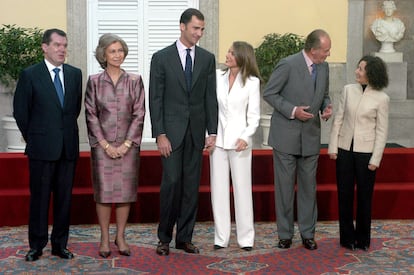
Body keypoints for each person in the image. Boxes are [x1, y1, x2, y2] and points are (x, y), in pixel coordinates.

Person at [149, 8, 218, 256]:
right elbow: (155, 99)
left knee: (191, 187)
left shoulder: (207, 59)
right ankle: (164, 238)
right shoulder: (161, 57)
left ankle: (185, 238)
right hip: (171, 133)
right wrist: (160, 134)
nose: (199, 33)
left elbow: (211, 97)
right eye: (195, 28)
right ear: (182, 26)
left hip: (197, 132)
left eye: (202, 29)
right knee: (172, 183)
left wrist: (212, 131)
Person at [13, 29, 83, 261]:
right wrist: (34, 136)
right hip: (41, 149)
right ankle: (37, 244)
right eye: (57, 45)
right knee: (40, 199)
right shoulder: (30, 74)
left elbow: (73, 110)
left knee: (64, 200)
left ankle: (59, 245)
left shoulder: (75, 74)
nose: (62, 49)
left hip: (68, 148)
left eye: (64, 45)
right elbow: (21, 112)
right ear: (45, 47)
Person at [263, 29, 333, 250]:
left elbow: (324, 94)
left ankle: (307, 234)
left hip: (311, 137)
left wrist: (326, 106)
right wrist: (293, 110)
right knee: (284, 188)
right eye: (326, 50)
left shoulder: (324, 67)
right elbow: (270, 93)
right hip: (286, 136)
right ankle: (285, 234)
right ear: (313, 50)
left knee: (308, 188)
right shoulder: (288, 64)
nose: (328, 54)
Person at [84, 33, 145, 258]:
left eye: (120, 50)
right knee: (104, 193)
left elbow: (139, 113)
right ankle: (104, 238)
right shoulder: (94, 81)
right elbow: (90, 114)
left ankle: (121, 236)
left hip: (129, 148)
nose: (117, 55)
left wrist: (127, 143)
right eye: (112, 51)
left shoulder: (135, 81)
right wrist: (105, 145)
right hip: (102, 148)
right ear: (103, 55)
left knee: (124, 193)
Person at [328, 55, 389, 251]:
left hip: (366, 154)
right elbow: (338, 119)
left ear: (371, 73)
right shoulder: (348, 90)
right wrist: (333, 146)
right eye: (357, 67)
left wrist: (376, 159)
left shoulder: (382, 98)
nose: (357, 71)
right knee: (344, 195)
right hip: (344, 150)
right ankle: (347, 238)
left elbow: (382, 130)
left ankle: (363, 239)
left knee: (364, 197)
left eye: (361, 69)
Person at [210, 41, 260, 252]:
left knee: (242, 190)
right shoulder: (217, 77)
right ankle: (221, 237)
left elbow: (254, 115)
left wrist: (246, 137)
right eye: (228, 51)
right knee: (218, 191)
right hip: (218, 142)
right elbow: (210, 108)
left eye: (232, 52)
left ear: (242, 56)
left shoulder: (252, 82)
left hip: (240, 143)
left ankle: (246, 238)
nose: (227, 54)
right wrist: (209, 135)